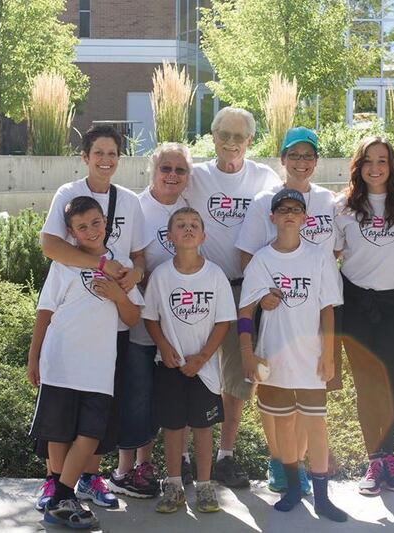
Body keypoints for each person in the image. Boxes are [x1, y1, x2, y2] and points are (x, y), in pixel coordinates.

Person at [36, 124, 151, 510]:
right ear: (84, 156)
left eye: (112, 153)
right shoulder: (68, 194)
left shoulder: (130, 202)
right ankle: (57, 483)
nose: (105, 160)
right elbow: (51, 246)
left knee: (104, 407)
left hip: (113, 322)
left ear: (120, 158)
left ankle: (90, 478)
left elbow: (139, 257)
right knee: (64, 411)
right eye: (98, 152)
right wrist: (103, 264)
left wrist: (130, 276)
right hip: (75, 320)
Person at [27, 196, 143, 529]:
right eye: (82, 227)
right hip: (60, 362)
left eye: (95, 223)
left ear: (105, 222)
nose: (91, 230)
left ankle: (63, 495)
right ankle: (63, 499)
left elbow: (133, 317)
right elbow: (45, 312)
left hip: (99, 370)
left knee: (91, 435)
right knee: (58, 433)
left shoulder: (121, 265)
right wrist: (34, 356)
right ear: (71, 233)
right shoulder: (63, 264)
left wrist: (119, 295)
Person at [235, 126, 337, 494]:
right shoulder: (265, 201)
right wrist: (262, 296)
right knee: (273, 388)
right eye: (294, 155)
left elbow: (337, 250)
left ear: (316, 160)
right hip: (271, 308)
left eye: (308, 155)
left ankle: (300, 466)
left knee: (306, 390)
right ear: (282, 158)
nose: (301, 162)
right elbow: (248, 255)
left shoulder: (328, 200)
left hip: (310, 310)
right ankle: (280, 461)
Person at [184, 107, 281, 488]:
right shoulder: (195, 178)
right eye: (223, 134)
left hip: (244, 291)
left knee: (238, 378)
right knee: (192, 369)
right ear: (212, 135)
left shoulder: (264, 179)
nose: (230, 142)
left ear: (250, 141)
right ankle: (187, 458)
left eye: (238, 137)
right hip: (200, 287)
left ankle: (226, 455)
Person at [238, 188, 347, 522]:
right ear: (272, 217)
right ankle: (294, 488)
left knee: (316, 427)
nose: (288, 214)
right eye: (282, 209)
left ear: (304, 217)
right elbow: (245, 311)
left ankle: (323, 496)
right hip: (275, 359)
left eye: (296, 209)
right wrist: (247, 355)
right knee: (284, 425)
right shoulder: (262, 260)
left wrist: (328, 354)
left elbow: (328, 309)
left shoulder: (319, 258)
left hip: (311, 360)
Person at [334, 136, 394, 495]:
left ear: (392, 165)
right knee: (367, 386)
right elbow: (330, 255)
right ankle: (375, 460)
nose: (375, 167)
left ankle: (390, 455)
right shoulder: (344, 206)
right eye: (368, 161)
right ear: (359, 165)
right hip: (356, 305)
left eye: (382, 160)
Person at [109, 143, 192, 498]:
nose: (172, 176)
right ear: (152, 171)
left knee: (162, 396)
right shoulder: (136, 207)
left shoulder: (190, 211)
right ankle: (123, 470)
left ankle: (148, 464)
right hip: (141, 319)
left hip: (179, 323)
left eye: (180, 170)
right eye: (166, 169)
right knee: (136, 392)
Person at [143, 207, 236, 514]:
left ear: (203, 235)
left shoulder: (215, 274)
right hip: (170, 366)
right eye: (180, 225)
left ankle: (205, 486)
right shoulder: (161, 276)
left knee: (203, 427)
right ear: (169, 237)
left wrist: (203, 357)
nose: (187, 229)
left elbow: (223, 321)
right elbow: (151, 318)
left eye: (194, 224)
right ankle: (173, 486)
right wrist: (164, 346)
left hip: (204, 370)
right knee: (172, 427)